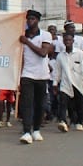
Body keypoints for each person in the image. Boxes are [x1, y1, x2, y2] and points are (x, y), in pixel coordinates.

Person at [17, 9, 54, 145]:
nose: (30, 21)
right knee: (26, 104)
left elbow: (43, 53)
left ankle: (36, 129)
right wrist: (18, 76)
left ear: (38, 20)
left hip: (42, 75)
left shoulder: (45, 35)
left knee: (40, 104)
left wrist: (27, 42)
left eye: (32, 19)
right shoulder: (22, 35)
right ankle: (27, 131)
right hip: (27, 74)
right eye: (28, 19)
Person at [53, 31, 83, 132]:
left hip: (78, 82)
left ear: (73, 41)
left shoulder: (80, 53)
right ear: (63, 41)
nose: (67, 42)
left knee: (79, 103)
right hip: (65, 83)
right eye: (66, 40)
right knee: (63, 102)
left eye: (69, 40)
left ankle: (79, 122)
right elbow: (57, 71)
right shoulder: (60, 56)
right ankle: (63, 121)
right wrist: (55, 83)